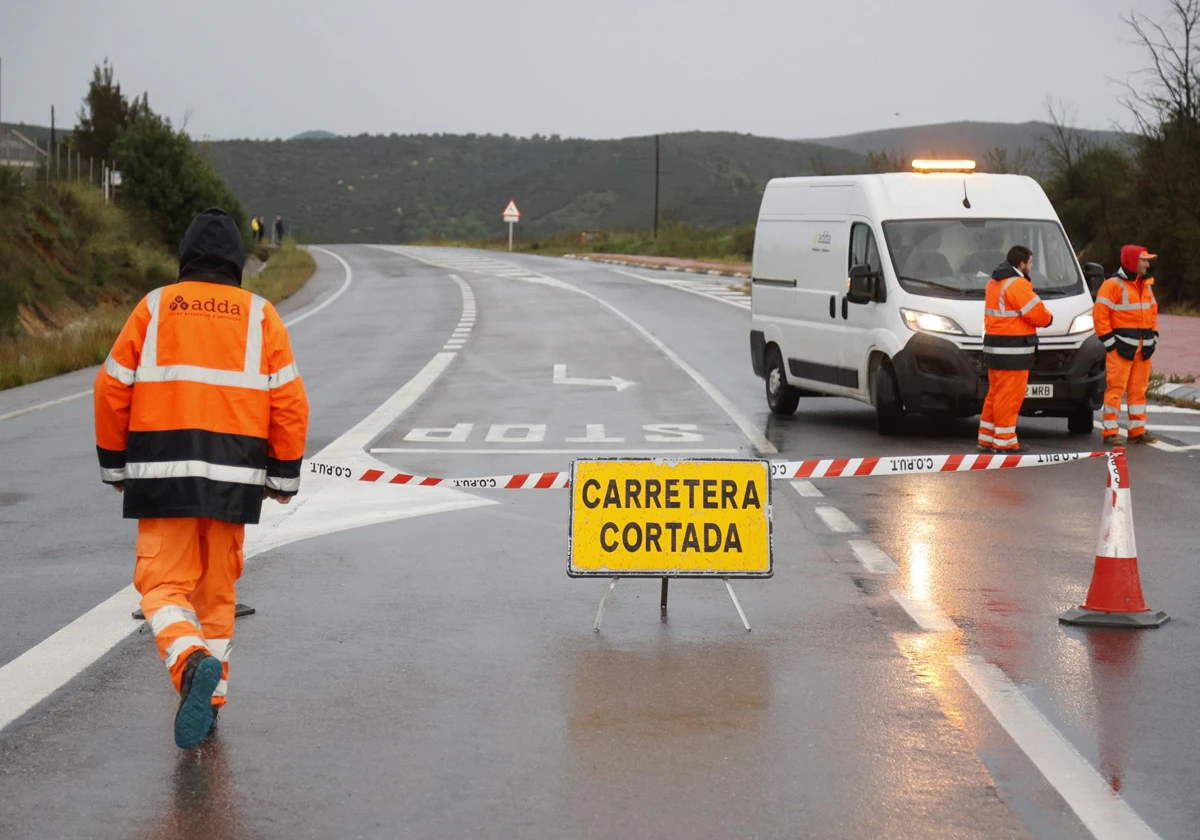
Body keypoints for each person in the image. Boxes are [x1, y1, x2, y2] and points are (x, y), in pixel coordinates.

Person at [94, 207, 309, 749]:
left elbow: (111, 387)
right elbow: (289, 402)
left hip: (163, 476)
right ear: (237, 263)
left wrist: (114, 466)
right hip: (234, 482)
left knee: (163, 587)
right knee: (215, 597)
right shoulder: (261, 315)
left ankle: (191, 665)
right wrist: (282, 477)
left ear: (185, 260)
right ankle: (209, 707)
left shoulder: (156, 307)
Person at [978, 245, 1053, 453]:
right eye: (1030, 263)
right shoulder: (1017, 284)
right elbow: (1037, 313)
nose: (1031, 266)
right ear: (1021, 264)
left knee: (995, 393)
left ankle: (987, 438)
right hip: (1013, 349)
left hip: (996, 347)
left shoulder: (994, 282)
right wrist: (1048, 320)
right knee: (1009, 396)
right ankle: (1004, 440)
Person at [1095, 245, 1159, 446]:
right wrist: (1110, 343)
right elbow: (1100, 315)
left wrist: (1153, 336)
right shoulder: (1112, 285)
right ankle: (1110, 432)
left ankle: (1137, 431)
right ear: (1133, 262)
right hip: (1121, 348)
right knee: (1115, 390)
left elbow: (1153, 312)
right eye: (1144, 260)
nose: (1147, 264)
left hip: (1143, 347)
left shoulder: (1146, 284)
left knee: (1138, 390)